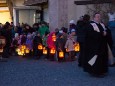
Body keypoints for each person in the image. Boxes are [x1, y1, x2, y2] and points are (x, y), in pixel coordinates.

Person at [83, 13, 108, 77]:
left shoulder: (102, 24)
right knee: (95, 59)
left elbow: (106, 32)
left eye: (99, 16)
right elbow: (91, 34)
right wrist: (102, 34)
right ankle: (95, 72)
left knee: (101, 58)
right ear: (94, 18)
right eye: (97, 17)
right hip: (94, 46)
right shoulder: (91, 25)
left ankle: (101, 71)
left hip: (102, 45)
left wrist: (106, 33)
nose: (99, 18)